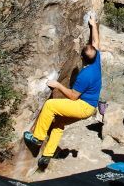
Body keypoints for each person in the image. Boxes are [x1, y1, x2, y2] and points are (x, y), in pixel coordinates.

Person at [23, 13, 102, 169]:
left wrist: (58, 85)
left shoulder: (85, 75)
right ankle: (46, 157)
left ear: (82, 58)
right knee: (58, 122)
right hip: (89, 107)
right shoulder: (97, 61)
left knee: (51, 105)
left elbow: (73, 96)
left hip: (82, 106)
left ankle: (37, 138)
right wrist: (93, 25)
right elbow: (95, 42)